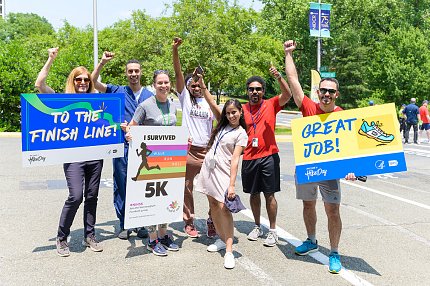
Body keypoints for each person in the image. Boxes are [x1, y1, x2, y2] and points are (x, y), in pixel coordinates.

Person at [284, 40, 359, 274]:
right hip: (307, 168)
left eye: (331, 91)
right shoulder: (308, 107)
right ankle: (311, 239)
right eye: (323, 90)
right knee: (308, 205)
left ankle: (334, 252)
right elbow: (294, 81)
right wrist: (288, 54)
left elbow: (351, 147)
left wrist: (352, 169)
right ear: (318, 92)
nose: (326, 94)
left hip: (331, 171)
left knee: (332, 210)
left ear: (337, 94)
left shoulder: (342, 116)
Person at [35, 47, 103, 257]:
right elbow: (39, 85)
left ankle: (89, 235)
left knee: (92, 196)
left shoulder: (97, 99)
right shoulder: (61, 99)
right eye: (78, 79)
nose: (82, 82)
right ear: (72, 81)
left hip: (95, 156)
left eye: (85, 80)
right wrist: (50, 59)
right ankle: (62, 237)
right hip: (73, 158)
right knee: (76, 196)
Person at [92, 52, 153, 239]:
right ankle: (125, 222)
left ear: (141, 73)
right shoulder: (117, 91)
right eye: (130, 71)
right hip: (122, 147)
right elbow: (94, 82)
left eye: (136, 71)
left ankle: (142, 222)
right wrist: (102, 63)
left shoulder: (150, 95)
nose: (133, 74)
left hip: (144, 148)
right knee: (122, 183)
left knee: (142, 184)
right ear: (126, 73)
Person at [125, 69, 179, 256]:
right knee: (150, 198)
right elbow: (132, 127)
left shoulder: (172, 105)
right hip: (150, 160)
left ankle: (164, 235)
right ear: (154, 85)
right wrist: (130, 134)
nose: (163, 86)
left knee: (164, 197)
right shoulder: (145, 105)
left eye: (166, 82)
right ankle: (152, 239)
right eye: (160, 83)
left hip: (168, 160)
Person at [172, 37, 220, 238]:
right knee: (187, 188)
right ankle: (189, 221)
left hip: (206, 151)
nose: (195, 86)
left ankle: (212, 220)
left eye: (199, 84)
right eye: (192, 84)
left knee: (212, 188)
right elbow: (178, 73)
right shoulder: (186, 100)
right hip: (188, 150)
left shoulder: (208, 101)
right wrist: (175, 51)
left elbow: (219, 119)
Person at [241, 65, 292, 247]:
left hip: (269, 156)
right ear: (247, 91)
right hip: (248, 157)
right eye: (251, 89)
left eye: (258, 89)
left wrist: (279, 77)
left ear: (263, 91)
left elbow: (288, 95)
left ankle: (272, 230)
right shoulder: (242, 109)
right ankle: (257, 226)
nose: (255, 92)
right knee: (253, 194)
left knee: (269, 194)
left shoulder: (271, 104)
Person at [197, 93, 248, 269]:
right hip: (209, 169)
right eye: (228, 113)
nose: (231, 115)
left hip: (223, 173)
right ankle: (220, 238)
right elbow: (212, 103)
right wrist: (203, 86)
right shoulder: (223, 126)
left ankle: (229, 250)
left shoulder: (241, 134)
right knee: (212, 203)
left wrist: (232, 185)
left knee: (224, 208)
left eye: (234, 112)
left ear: (241, 112)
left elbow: (235, 160)